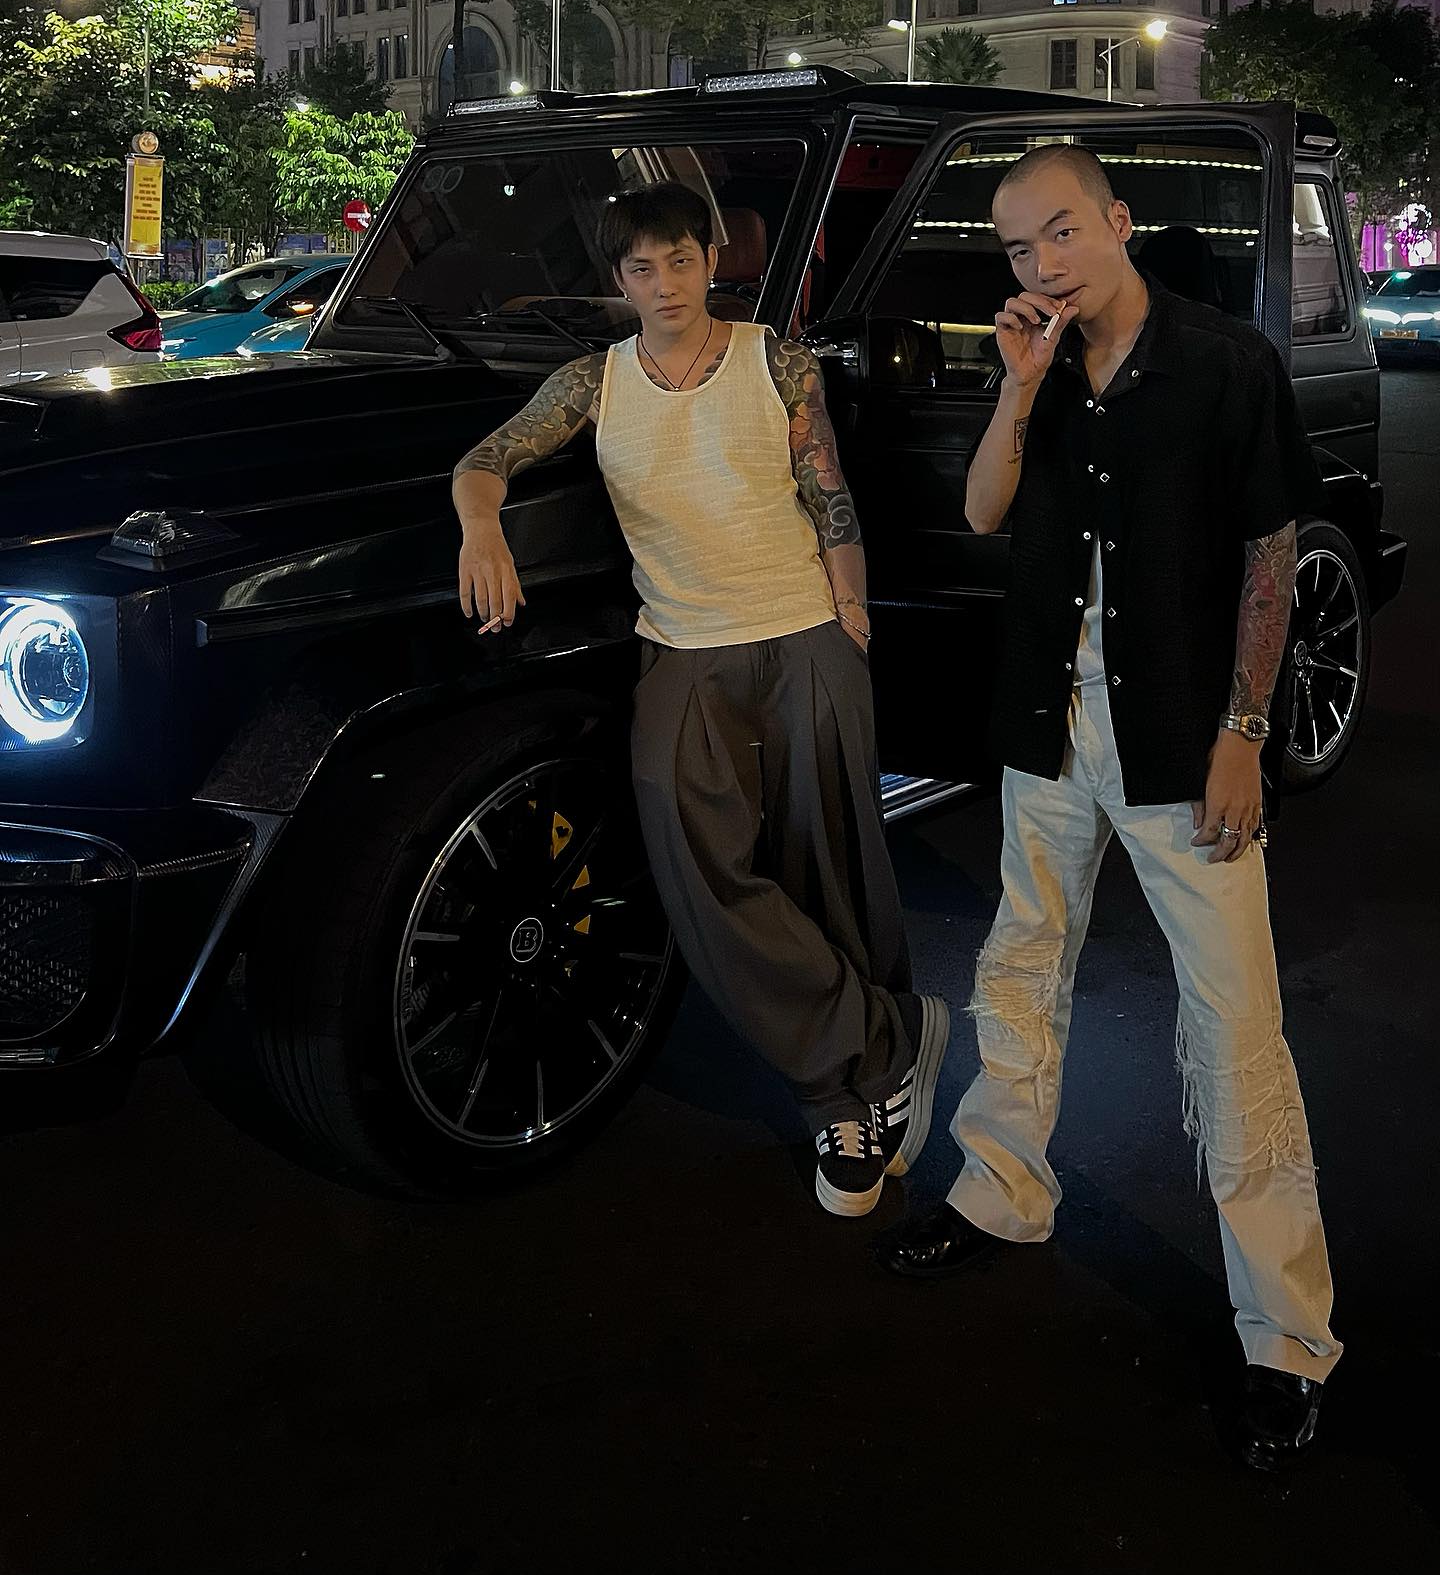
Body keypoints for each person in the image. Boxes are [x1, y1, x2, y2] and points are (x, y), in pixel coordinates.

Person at [876, 145, 1339, 1472]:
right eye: (1019, 247)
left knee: (1234, 1022)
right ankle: (1000, 1188)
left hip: (1184, 737)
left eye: (1064, 231)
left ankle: (1286, 1334)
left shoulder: (1224, 362)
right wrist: (1018, 386)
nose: (1044, 263)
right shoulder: (1041, 358)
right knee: (1022, 960)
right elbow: (983, 511)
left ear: (1120, 221)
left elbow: (1272, 550)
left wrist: (1245, 731)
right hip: (1047, 722)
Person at [451, 181, 948, 1217]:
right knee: (702, 877)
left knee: (831, 864)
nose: (666, 283)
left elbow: (829, 491)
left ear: (711, 260)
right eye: (643, 267)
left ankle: (842, 1101)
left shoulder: (777, 360)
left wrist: (851, 617)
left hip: (803, 632)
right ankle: (886, 1039)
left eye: (681, 260)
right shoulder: (593, 381)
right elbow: (485, 459)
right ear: (619, 279)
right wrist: (481, 527)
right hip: (680, 650)